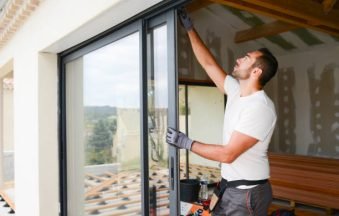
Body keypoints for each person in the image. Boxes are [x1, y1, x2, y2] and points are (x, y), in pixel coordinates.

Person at [166, 8, 278, 216]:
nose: (238, 59)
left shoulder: (260, 108)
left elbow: (228, 154)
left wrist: (186, 143)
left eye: (246, 58)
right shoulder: (236, 91)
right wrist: (190, 29)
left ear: (256, 71)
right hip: (229, 187)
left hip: (246, 194)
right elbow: (209, 64)